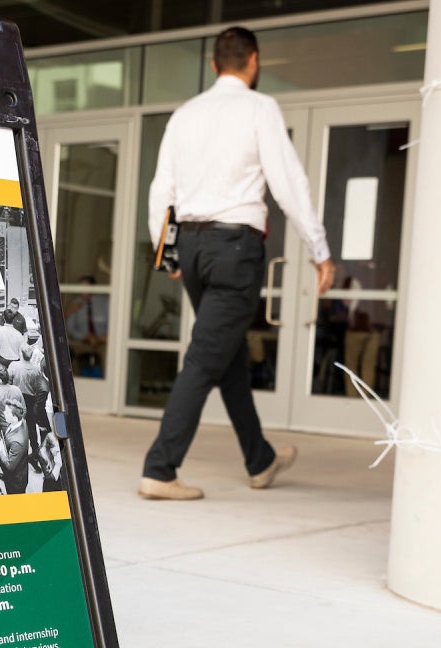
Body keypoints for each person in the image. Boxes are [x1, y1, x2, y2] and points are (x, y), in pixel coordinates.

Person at [138, 26, 335, 500]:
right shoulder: (259, 108)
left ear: (212, 65)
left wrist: (166, 253)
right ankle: (160, 469)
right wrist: (319, 249)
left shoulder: (184, 114)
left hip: (192, 247)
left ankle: (260, 459)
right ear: (254, 61)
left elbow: (160, 189)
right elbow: (288, 181)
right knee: (207, 358)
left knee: (228, 359)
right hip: (234, 249)